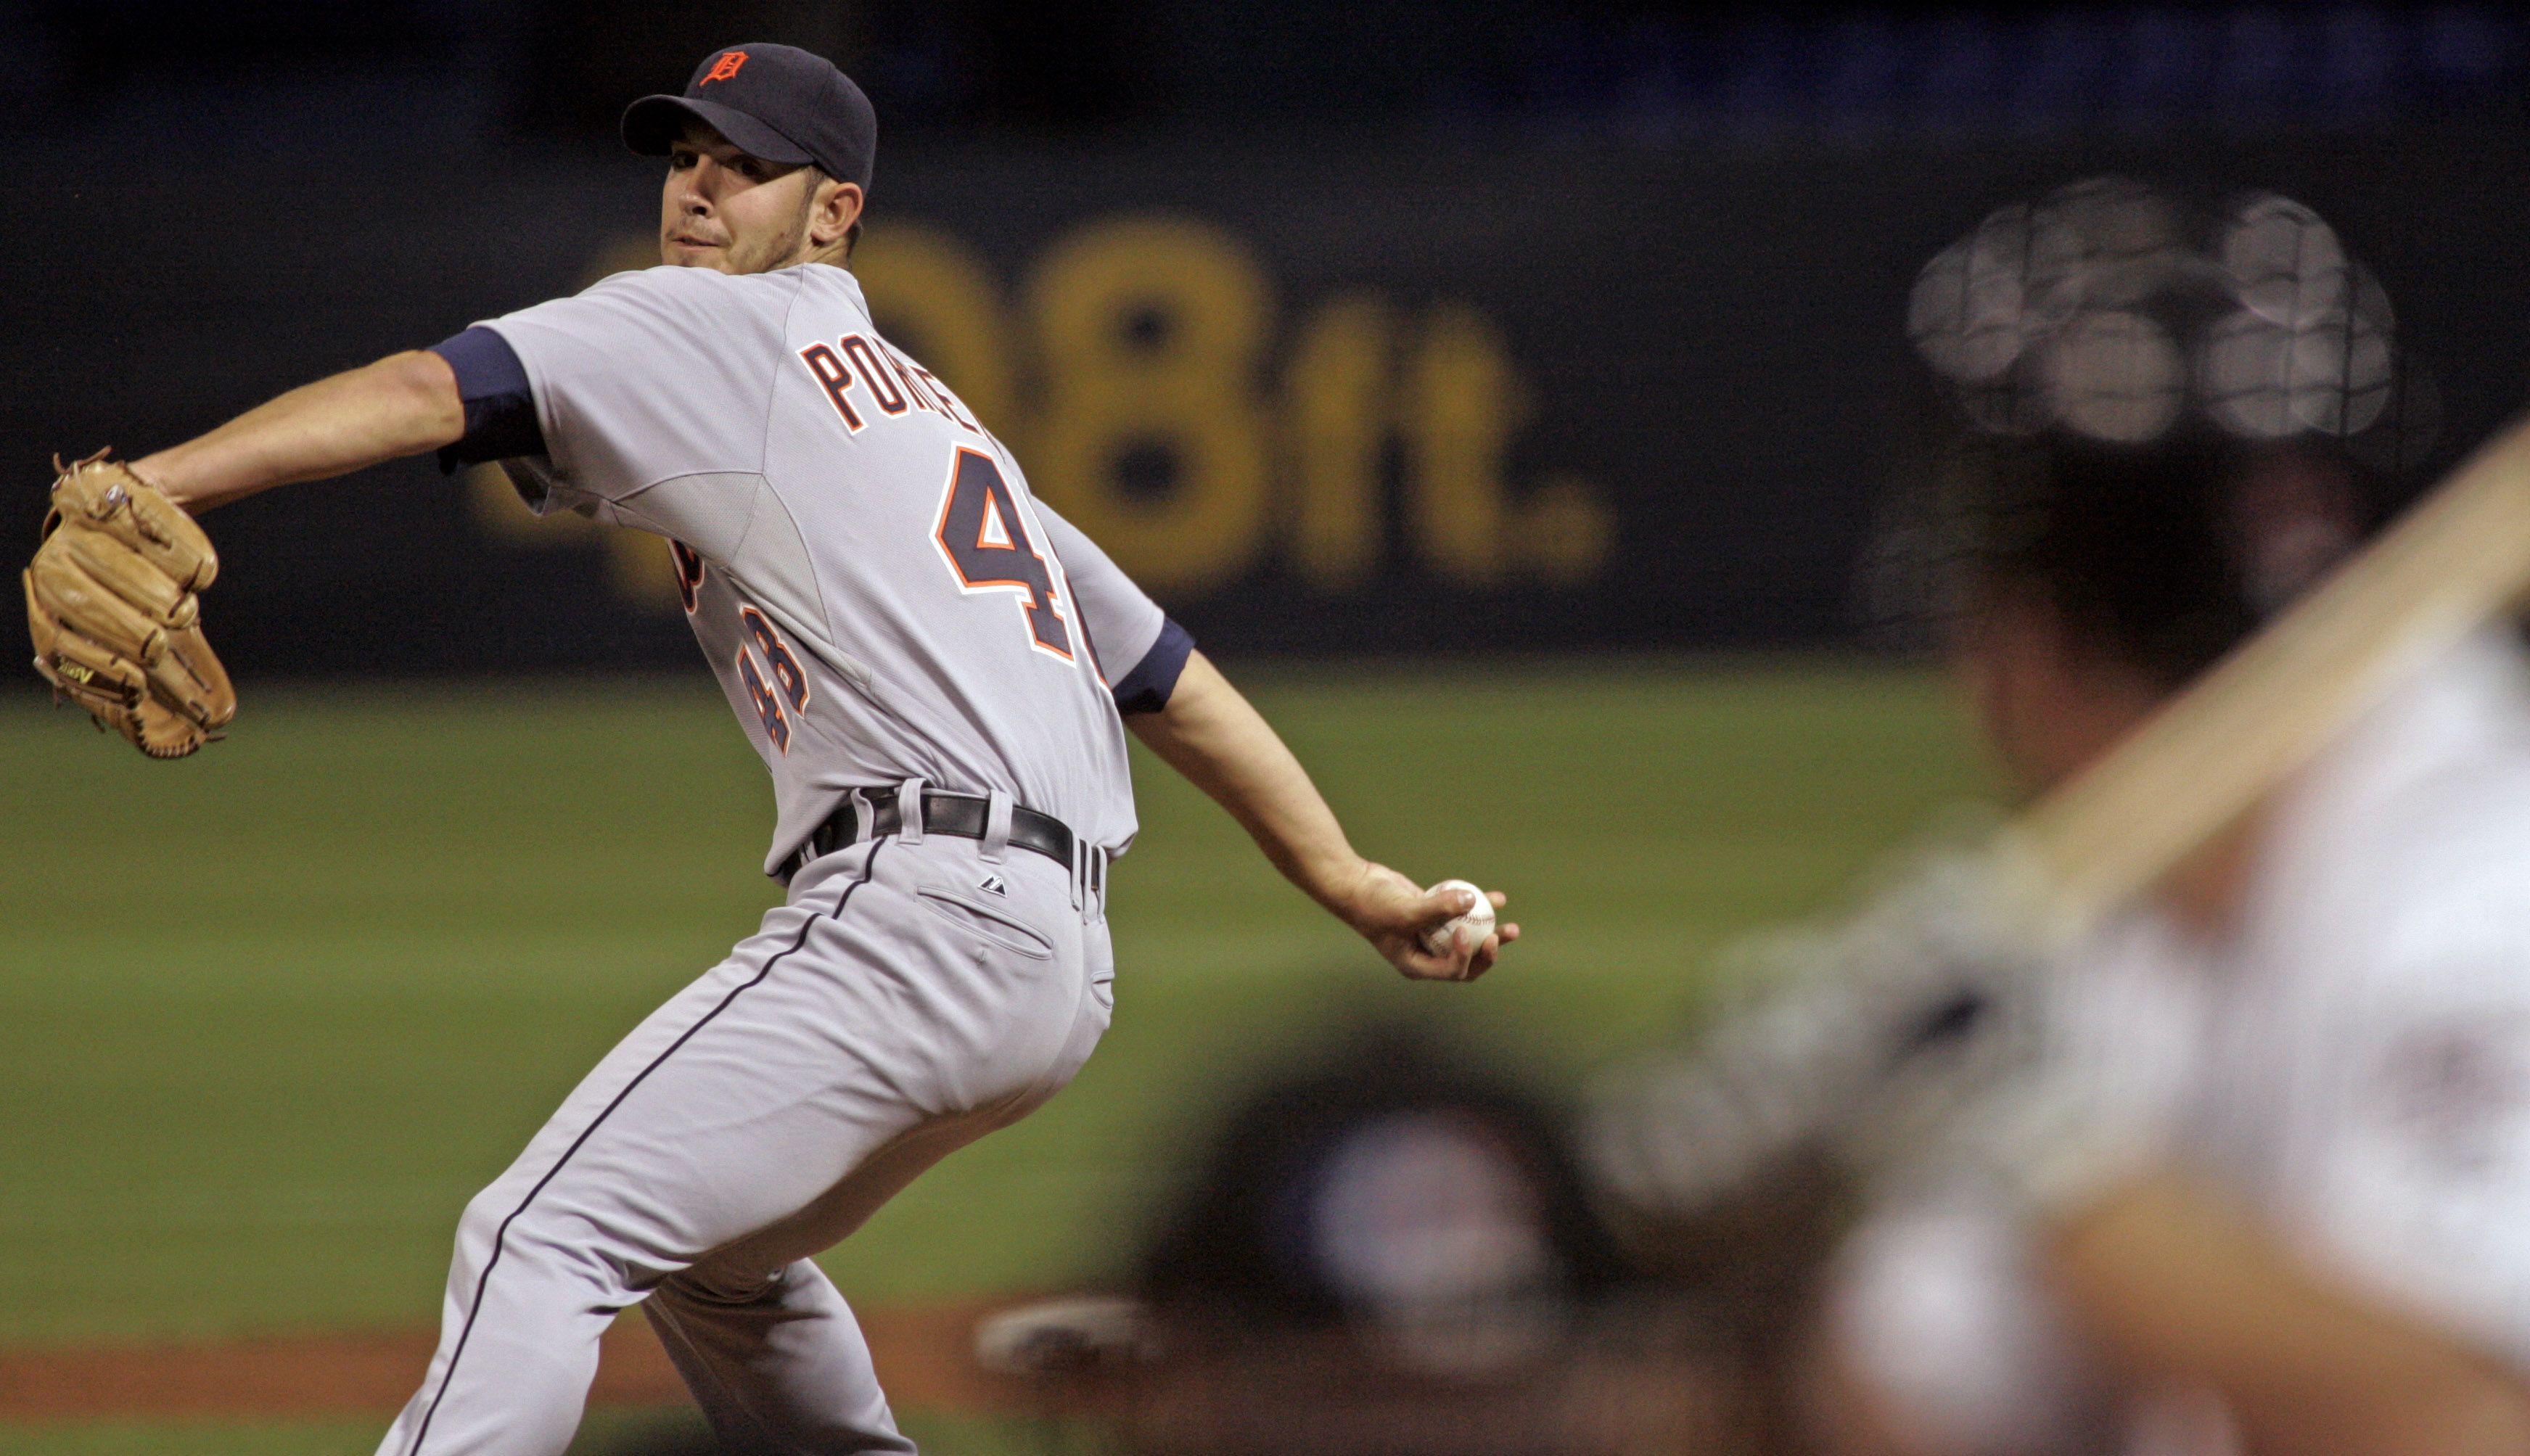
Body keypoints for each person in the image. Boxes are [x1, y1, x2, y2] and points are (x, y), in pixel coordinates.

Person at [86, 41, 1515, 1456]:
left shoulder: (709, 324)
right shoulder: (943, 425)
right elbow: (1163, 674)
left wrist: (146, 482)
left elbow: (424, 390)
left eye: (745, 164)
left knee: (539, 1231)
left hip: (922, 911)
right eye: (684, 157)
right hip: (1054, 963)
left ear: (830, 213)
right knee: (719, 1260)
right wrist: (1353, 879)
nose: (698, 190)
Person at [1589, 182, 2530, 1455]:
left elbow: (2476, 1424)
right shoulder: (2133, 927)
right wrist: (1768, 1277)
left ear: (2028, 640)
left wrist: (2050, 1167)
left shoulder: (2481, 882)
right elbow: (1936, 1414)